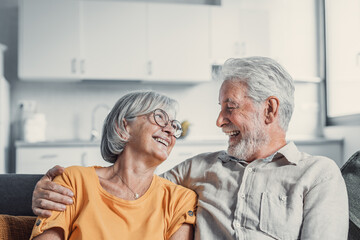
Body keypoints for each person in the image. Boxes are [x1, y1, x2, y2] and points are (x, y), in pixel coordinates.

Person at [32, 57, 349, 239]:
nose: (219, 120)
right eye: (220, 106)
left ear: (269, 110)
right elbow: (129, 186)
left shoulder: (318, 174)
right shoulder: (196, 170)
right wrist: (45, 187)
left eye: (230, 106)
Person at [30, 91, 197, 240]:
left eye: (175, 126)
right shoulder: (73, 181)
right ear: (123, 127)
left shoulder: (179, 200)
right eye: (159, 117)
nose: (170, 130)